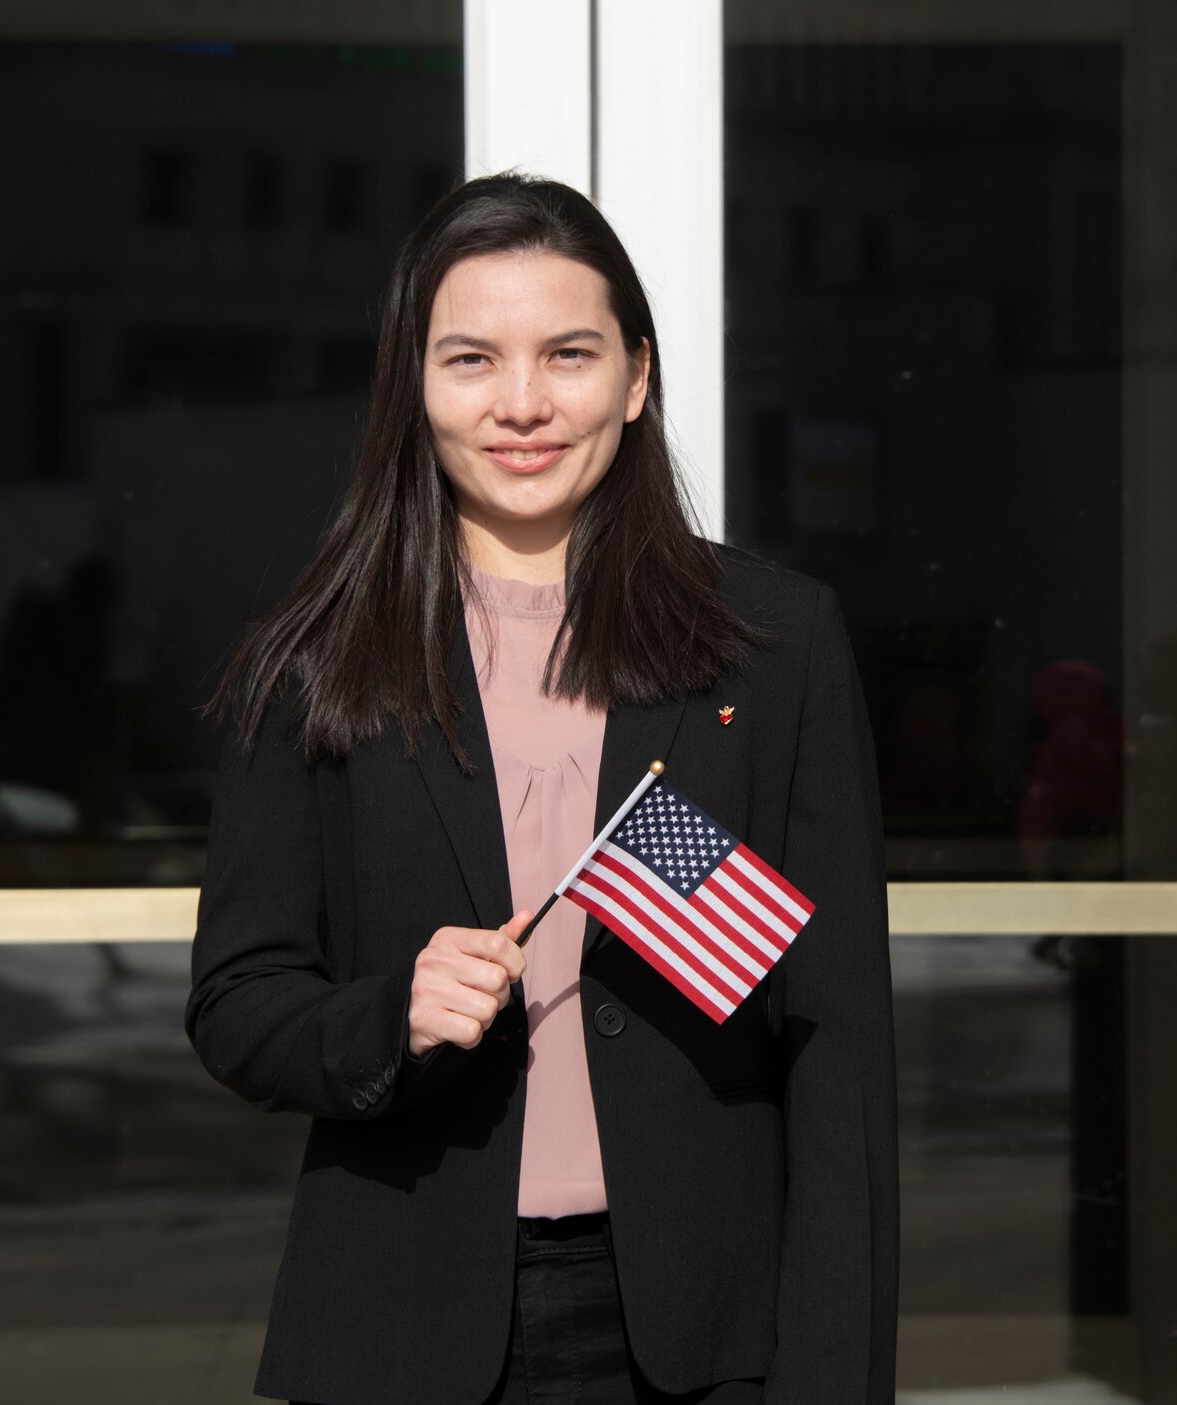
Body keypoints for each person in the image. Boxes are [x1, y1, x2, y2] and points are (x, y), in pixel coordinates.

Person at [187, 172, 897, 1405]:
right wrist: (388, 1016)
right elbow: (239, 1001)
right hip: (402, 1323)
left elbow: (837, 1049)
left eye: (566, 354)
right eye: (470, 359)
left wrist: (833, 1372)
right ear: (413, 387)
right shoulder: (312, 659)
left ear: (633, 376)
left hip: (699, 1334)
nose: (521, 403)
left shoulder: (772, 644)